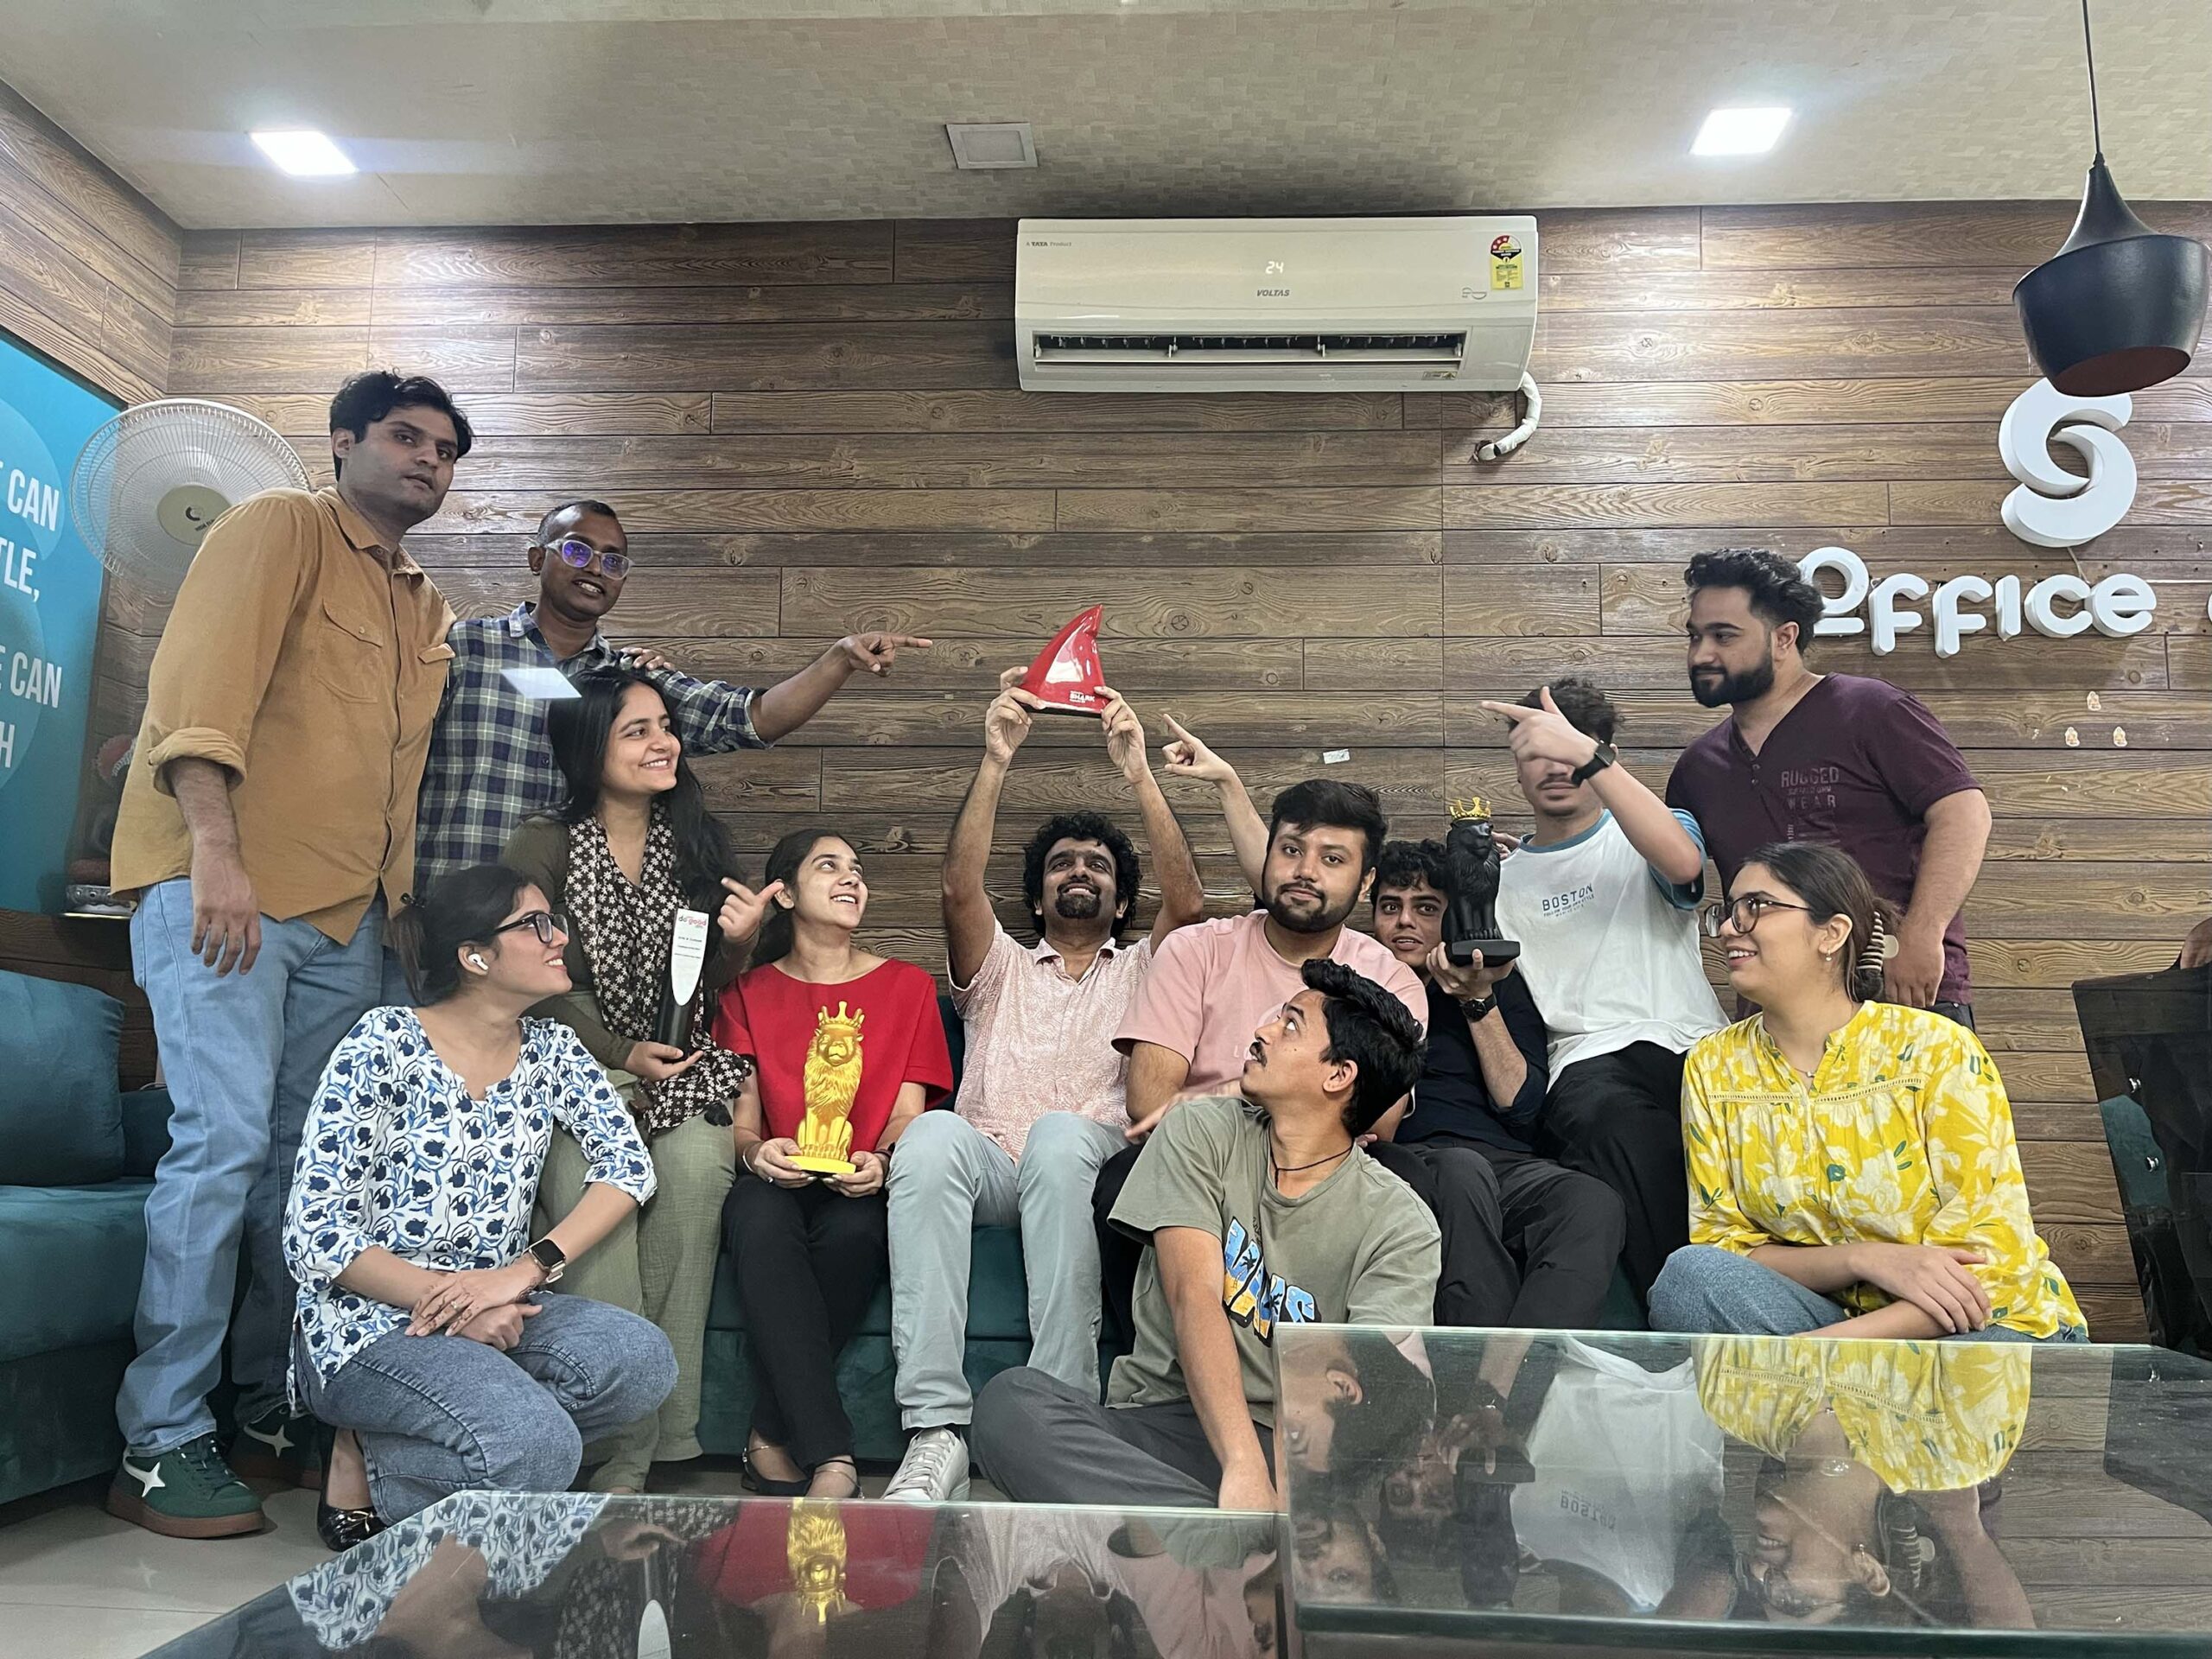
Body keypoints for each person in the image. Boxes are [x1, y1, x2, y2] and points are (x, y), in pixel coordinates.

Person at [103, 370, 473, 1538]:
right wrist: (214, 855)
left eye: (445, 450)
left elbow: (400, 773)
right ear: (344, 441)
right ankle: (159, 1439)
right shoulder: (277, 527)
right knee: (219, 1147)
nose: (427, 460)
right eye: (405, 437)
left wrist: (399, 912)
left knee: (305, 1179)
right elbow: (197, 698)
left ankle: (265, 1408)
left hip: (350, 922)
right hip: (230, 897)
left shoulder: (426, 606)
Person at [883, 669, 1204, 1503]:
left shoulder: (1148, 966)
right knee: (929, 1133)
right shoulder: (998, 966)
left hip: (1084, 1162)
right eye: (1062, 864)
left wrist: (1139, 772)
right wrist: (996, 757)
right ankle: (933, 1428)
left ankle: (1061, 1415)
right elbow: (957, 887)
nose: (1079, 872)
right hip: (992, 1162)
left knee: (1061, 1137)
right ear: (1037, 894)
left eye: (1098, 865)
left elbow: (1189, 897)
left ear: (1120, 899)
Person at [284, 866, 675, 1537]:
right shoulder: (383, 1042)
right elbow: (315, 1233)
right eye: (536, 924)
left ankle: (374, 1450)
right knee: (540, 1448)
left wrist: (521, 1272)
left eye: (556, 921)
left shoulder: (552, 1049)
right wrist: (457, 1305)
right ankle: (393, 1454)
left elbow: (628, 1167)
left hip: (498, 1305)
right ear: (475, 956)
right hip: (368, 1323)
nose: (559, 937)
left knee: (641, 1362)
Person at [973, 959, 1440, 1510]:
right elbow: (1191, 1294)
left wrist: (1273, 1476)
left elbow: (1367, 1390)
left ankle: (1163, 1538)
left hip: (1293, 1448)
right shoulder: (1200, 1130)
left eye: (1291, 1025)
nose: (1263, 1031)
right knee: (1009, 1406)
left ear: (1338, 1075)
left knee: (1344, 1491)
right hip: (1167, 1425)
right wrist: (1241, 1467)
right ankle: (1226, 1542)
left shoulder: (1401, 1223)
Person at [499, 670, 782, 1493]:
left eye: (666, 726)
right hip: (571, 1057)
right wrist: (619, 1051)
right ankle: (617, 1443)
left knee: (694, 1180)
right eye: (638, 731)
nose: (665, 744)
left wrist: (742, 941)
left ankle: (666, 1435)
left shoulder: (696, 841)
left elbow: (710, 982)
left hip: (681, 1056)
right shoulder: (544, 844)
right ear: (590, 747)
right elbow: (525, 977)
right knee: (599, 1215)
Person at [1648, 842, 2088, 1343]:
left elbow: (1992, 1268)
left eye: (1755, 906)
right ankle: (1827, 1392)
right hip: (1824, 1318)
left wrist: (1807, 1354)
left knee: (1983, 1356)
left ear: (1831, 933)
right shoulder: (1714, 1065)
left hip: (1968, 1324)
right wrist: (1864, 1259)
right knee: (1691, 1279)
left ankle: (1809, 1394)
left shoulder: (1934, 1049)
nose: (1729, 927)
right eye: (1728, 911)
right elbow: (1726, 1244)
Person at [411, 493, 931, 895]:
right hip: (441, 909)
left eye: (614, 561)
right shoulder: (463, 648)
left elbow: (750, 718)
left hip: (560, 937)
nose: (595, 567)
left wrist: (838, 660)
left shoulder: (632, 681)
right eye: (576, 550)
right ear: (535, 559)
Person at [1093, 737, 1427, 1343]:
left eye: (1332, 859)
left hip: (1329, 1161)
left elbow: (1376, 1119)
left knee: (1415, 1178)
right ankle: (1150, 1368)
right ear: (1268, 855)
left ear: (1365, 880)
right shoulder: (1196, 949)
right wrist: (1268, 1097)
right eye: (1291, 849)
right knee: (1125, 1174)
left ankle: (1364, 1379)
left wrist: (1218, 1094)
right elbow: (1149, 1106)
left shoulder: (1390, 980)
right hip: (1204, 1157)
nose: (1304, 871)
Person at [713, 830, 956, 1500]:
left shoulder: (908, 987)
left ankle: (769, 1433)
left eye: (857, 869)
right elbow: (742, 1124)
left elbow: (907, 1115)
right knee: (757, 1217)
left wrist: (882, 1161)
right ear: (785, 895)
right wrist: (758, 1154)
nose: (852, 879)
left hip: (858, 1182)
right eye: (829, 867)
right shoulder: (745, 993)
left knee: (856, 1233)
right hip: (776, 1178)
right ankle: (834, 1457)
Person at [1666, 548, 1993, 1027]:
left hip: (1896, 992)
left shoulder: (1871, 710)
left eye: (1724, 636)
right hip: (1776, 1017)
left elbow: (1963, 813)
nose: (1701, 655)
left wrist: (1923, 934)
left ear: (1784, 637)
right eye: (1695, 636)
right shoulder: (1699, 769)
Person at [1482, 678, 1726, 1297]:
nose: (1556, 767)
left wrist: (1586, 754)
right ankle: (1683, 1313)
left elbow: (1684, 864)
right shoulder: (1500, 882)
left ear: (1603, 755)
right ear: (1516, 766)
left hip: (1699, 1047)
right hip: (1588, 1062)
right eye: (1538, 752)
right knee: (1616, 1124)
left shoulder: (1652, 831)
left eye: (1570, 750)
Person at [1363, 839, 1624, 1328]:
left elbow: (1520, 1104)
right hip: (1406, 1158)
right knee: (1462, 1174)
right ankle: (1477, 1370)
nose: (1405, 922)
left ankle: (1524, 1365)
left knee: (1592, 1202)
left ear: (1453, 918)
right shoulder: (1356, 988)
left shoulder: (1499, 982)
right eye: (1390, 907)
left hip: (1504, 1161)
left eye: (1426, 908)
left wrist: (1476, 999)